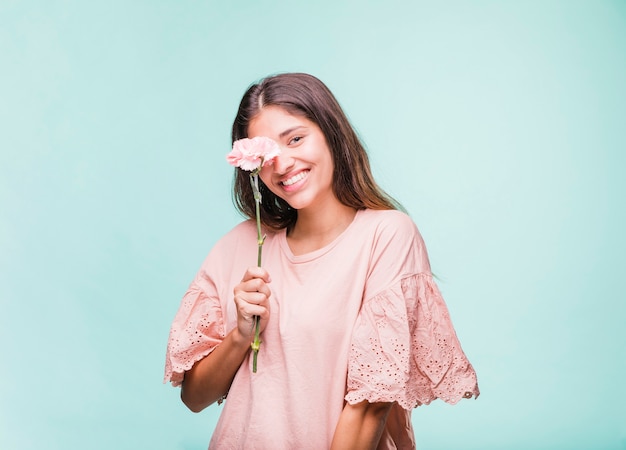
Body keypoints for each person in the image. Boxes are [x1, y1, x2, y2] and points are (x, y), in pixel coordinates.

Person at [164, 73, 479, 449]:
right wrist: (241, 336)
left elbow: (369, 407)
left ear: (331, 133)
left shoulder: (386, 235)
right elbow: (194, 398)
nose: (281, 165)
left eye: (296, 139)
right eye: (265, 154)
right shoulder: (241, 244)